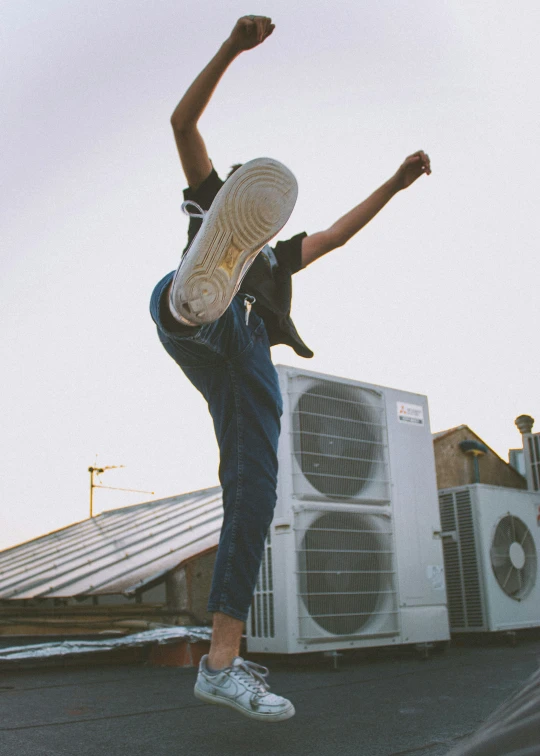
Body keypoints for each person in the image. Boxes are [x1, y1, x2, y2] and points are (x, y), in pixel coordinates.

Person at [149, 15, 431, 723]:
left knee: (255, 491)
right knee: (212, 308)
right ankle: (192, 297)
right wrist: (230, 49)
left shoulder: (282, 257)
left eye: (259, 222)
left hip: (246, 369)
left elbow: (334, 234)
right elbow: (182, 125)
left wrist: (394, 186)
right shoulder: (207, 194)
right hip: (215, 324)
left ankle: (220, 664)